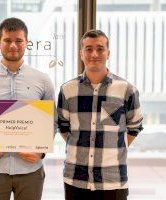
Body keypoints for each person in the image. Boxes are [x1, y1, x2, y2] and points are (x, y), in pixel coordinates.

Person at [0, 17, 55, 200]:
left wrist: (40, 152)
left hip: (31, 171)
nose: (13, 46)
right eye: (7, 40)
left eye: (18, 40)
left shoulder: (43, 80)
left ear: (27, 43)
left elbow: (51, 123)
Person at [57, 29, 143, 200]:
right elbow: (63, 126)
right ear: (81, 53)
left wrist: (113, 147)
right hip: (75, 178)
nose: (94, 54)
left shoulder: (126, 89)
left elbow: (135, 126)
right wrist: (81, 144)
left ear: (108, 53)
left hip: (113, 180)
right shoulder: (67, 90)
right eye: (88, 49)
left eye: (100, 48)